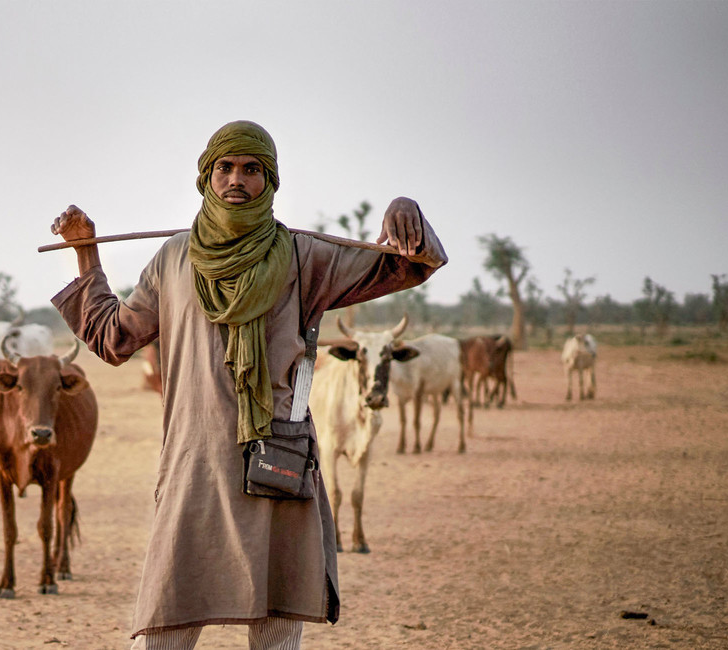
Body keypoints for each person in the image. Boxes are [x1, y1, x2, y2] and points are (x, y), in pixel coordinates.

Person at [50, 120, 447, 650]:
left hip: (275, 458)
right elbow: (112, 338)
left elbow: (409, 264)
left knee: (277, 622)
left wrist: (406, 208)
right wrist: (86, 254)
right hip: (196, 461)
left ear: (270, 181)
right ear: (206, 179)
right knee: (167, 623)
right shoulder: (174, 259)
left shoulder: (306, 257)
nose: (237, 179)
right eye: (225, 167)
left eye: (252, 169)